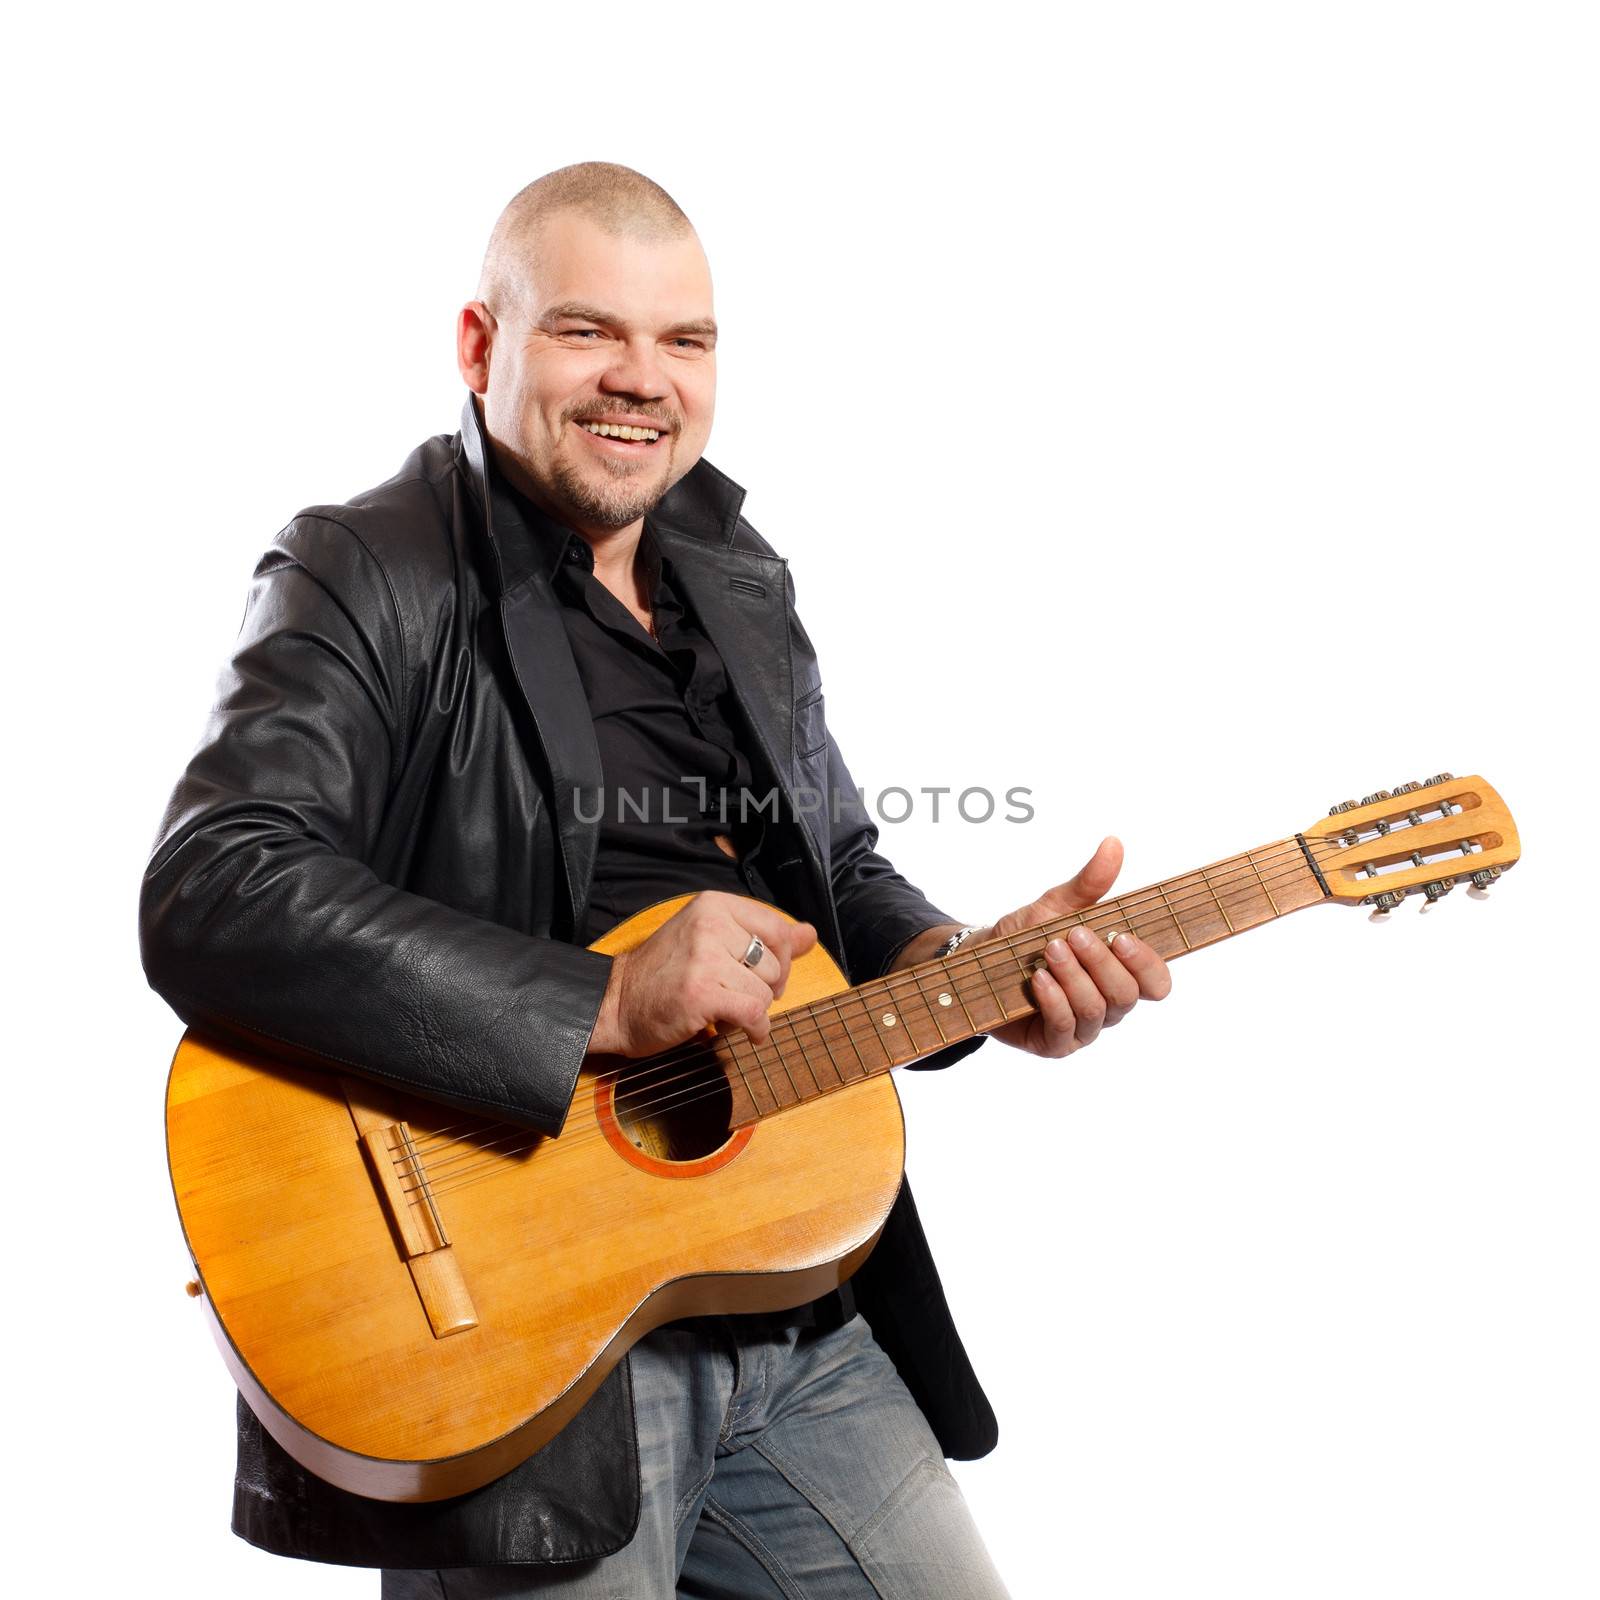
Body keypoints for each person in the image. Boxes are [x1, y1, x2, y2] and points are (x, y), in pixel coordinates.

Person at [140, 162, 1173, 1597]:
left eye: (685, 341)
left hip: (795, 1302)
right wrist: (604, 1000)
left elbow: (839, 870)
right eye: (588, 332)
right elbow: (217, 885)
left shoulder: (735, 574)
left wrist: (966, 969)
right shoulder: (365, 565)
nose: (643, 380)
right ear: (479, 346)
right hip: (528, 1338)